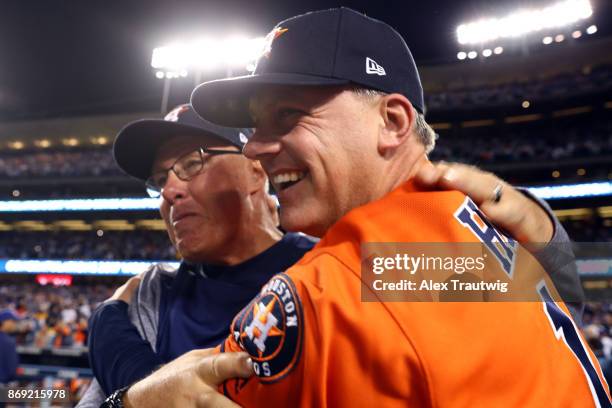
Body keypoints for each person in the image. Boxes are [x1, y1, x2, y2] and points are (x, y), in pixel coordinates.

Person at [118, 7, 606, 408]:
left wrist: (127, 398)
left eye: (288, 115)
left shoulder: (329, 288)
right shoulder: (483, 229)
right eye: (254, 128)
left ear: (392, 122)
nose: (256, 148)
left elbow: (185, 396)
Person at [77, 104, 317, 407]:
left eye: (192, 163)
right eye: (160, 179)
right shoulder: (150, 291)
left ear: (256, 172)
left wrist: (106, 321)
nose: (168, 191)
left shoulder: (329, 269)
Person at [0, 309, 20, 384]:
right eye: (13, 321)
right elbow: (12, 371)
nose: (14, 324)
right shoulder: (8, 341)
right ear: (5, 322)